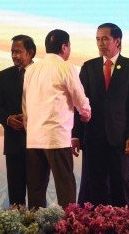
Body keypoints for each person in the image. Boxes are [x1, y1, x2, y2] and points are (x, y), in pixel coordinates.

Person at [73, 23, 129, 208]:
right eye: (97, 39)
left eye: (105, 39)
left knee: (122, 183)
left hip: (119, 139)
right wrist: (76, 135)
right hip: (93, 137)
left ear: (117, 41)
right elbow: (79, 104)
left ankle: (127, 223)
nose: (100, 43)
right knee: (94, 186)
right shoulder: (88, 67)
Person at [22, 29, 91, 209]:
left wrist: (29, 127)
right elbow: (79, 98)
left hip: (34, 137)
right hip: (56, 137)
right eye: (69, 46)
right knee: (65, 186)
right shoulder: (66, 67)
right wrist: (86, 113)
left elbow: (25, 103)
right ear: (64, 46)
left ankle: (36, 227)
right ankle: (69, 225)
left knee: (36, 189)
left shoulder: (31, 69)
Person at [0, 35, 36, 207]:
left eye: (18, 52)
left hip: (36, 143)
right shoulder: (5, 75)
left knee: (36, 192)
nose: (14, 55)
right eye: (12, 52)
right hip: (13, 144)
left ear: (30, 52)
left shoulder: (41, 74)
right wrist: (8, 119)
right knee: (15, 195)